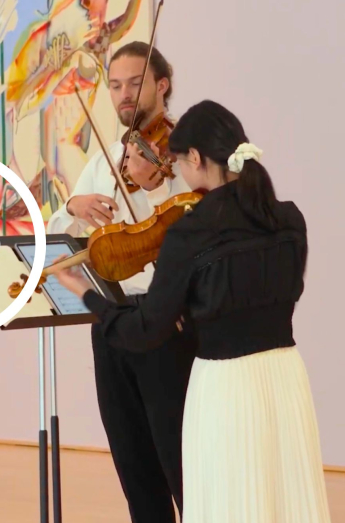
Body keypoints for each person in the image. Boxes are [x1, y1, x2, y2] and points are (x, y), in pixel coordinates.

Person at [54, 100, 332, 522]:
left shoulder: (190, 232)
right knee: (282, 498)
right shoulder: (290, 218)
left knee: (228, 501)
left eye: (180, 162)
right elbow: (273, 292)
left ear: (197, 159)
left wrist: (90, 296)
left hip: (225, 386)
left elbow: (145, 331)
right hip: (285, 377)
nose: (179, 174)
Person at [47, 41, 195, 522]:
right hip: (112, 320)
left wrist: (159, 186)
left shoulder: (188, 155)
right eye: (115, 86)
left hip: (170, 321)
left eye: (135, 83)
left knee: (184, 466)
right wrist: (72, 206)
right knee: (133, 465)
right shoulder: (108, 157)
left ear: (161, 85)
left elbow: (207, 222)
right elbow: (56, 236)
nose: (124, 94)